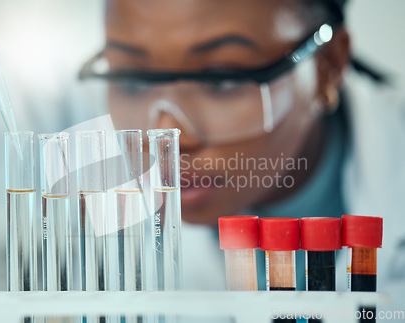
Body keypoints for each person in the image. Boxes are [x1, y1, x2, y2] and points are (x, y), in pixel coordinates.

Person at [79, 0, 405, 318]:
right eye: (132, 80)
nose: (169, 136)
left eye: (223, 80)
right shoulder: (93, 206)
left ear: (327, 66)